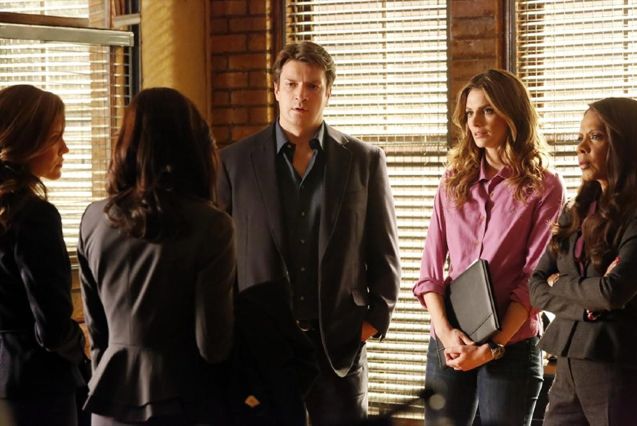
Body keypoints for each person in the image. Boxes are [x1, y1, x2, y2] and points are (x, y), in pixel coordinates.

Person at [218, 41, 401, 426]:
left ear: (328, 92)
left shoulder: (364, 160)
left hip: (338, 345)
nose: (301, 94)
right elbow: (221, 258)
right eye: (291, 84)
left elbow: (383, 250)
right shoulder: (234, 162)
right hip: (261, 345)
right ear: (276, 89)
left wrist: (371, 321)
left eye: (313, 85)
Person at [413, 69, 565, 425]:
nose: (475, 123)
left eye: (488, 110)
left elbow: (533, 279)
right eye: (469, 113)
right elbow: (429, 272)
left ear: (512, 113)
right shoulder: (453, 180)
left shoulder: (545, 187)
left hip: (512, 345)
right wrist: (446, 335)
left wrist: (493, 346)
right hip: (449, 341)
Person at [77, 87, 235, 425]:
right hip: (183, 401)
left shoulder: (93, 219)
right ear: (194, 145)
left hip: (109, 399)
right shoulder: (212, 225)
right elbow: (213, 345)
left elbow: (97, 331)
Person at [529, 97, 637, 425]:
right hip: (567, 362)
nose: (581, 147)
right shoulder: (574, 211)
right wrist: (585, 305)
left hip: (617, 365)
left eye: (596, 136)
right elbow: (536, 286)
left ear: (625, 144)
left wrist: (560, 283)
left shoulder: (636, 215)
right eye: (580, 137)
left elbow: (612, 292)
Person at [0, 84, 85, 426]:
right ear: (25, 143)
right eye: (55, 137)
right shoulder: (35, 216)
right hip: (36, 386)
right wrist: (81, 342)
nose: (65, 148)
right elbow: (52, 328)